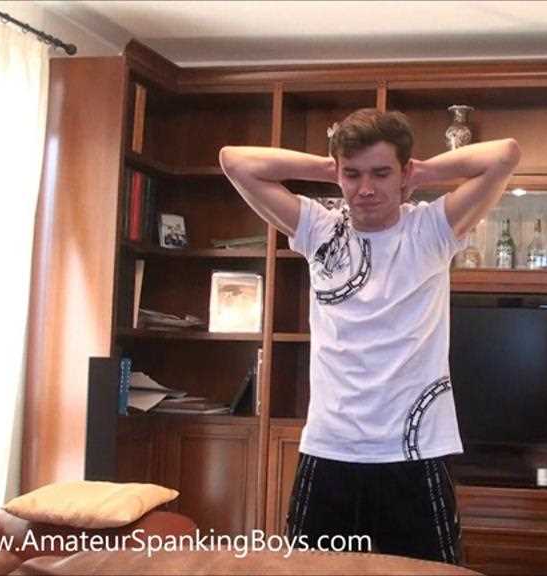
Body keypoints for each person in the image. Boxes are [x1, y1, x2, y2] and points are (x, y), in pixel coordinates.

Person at [219, 108, 520, 564]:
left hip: (415, 452)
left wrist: (423, 171)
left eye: (381, 173)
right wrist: (328, 167)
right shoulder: (318, 228)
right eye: (353, 174)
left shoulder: (432, 229)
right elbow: (234, 161)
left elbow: (504, 155)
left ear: (403, 174)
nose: (366, 188)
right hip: (330, 448)